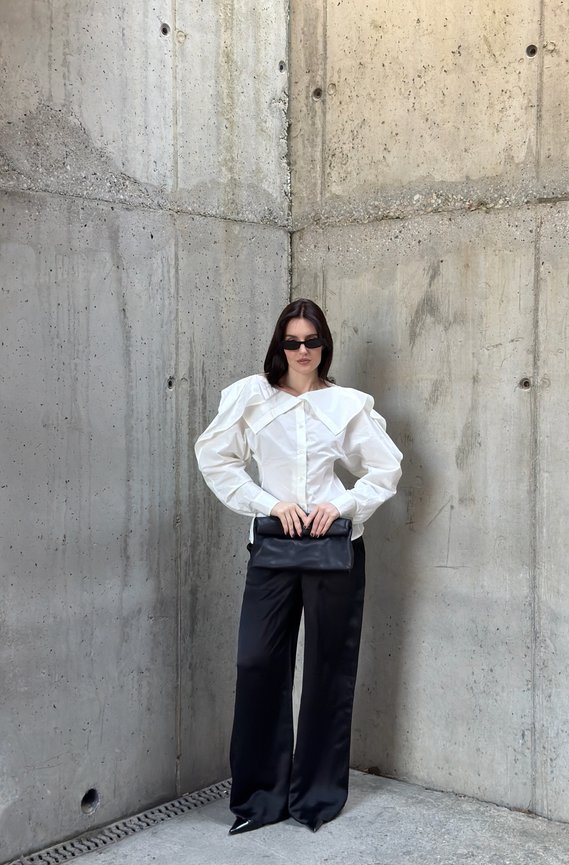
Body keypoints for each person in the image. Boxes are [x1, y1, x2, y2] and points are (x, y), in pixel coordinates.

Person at [194, 298, 402, 835]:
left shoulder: (348, 404)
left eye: (312, 341)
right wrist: (268, 503)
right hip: (274, 548)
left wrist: (344, 504)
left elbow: (384, 469)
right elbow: (216, 457)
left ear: (325, 344)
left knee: (329, 669)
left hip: (335, 547)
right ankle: (260, 800)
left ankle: (316, 798)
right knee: (257, 661)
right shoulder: (251, 397)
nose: (303, 350)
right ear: (279, 345)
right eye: (293, 341)